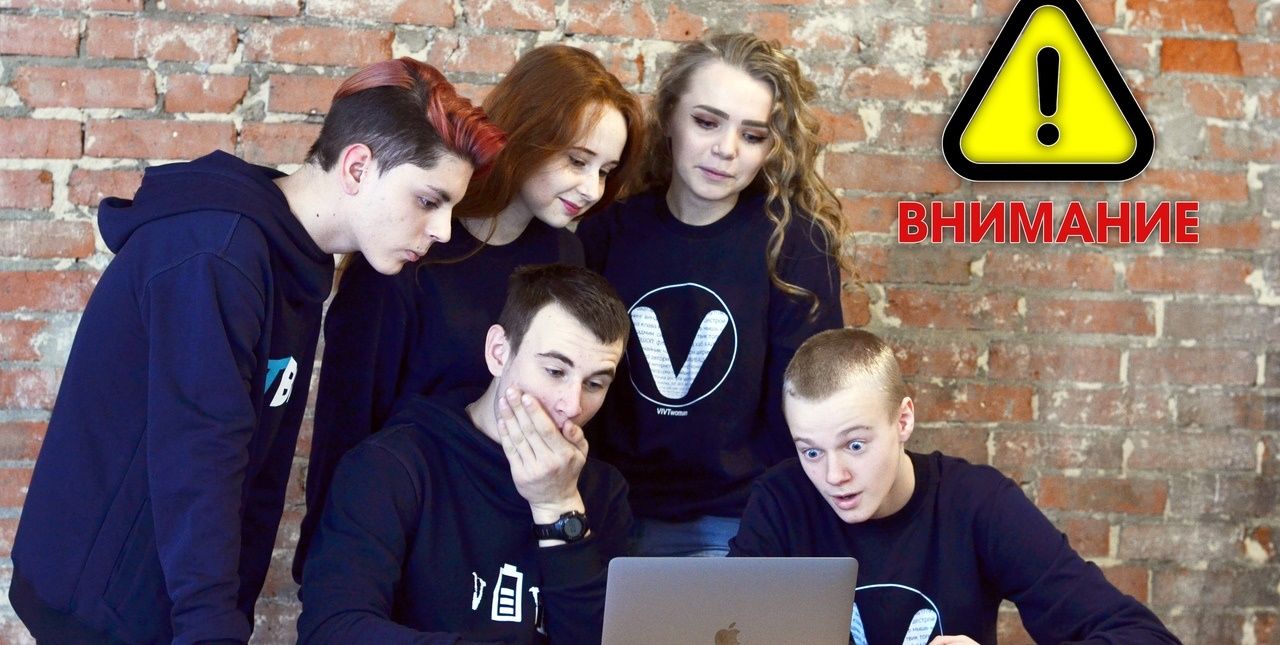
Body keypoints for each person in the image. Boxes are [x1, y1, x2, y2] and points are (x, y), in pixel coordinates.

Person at [9, 58, 505, 644]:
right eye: (428, 200)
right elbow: (198, 460)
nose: (444, 230)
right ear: (357, 166)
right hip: (100, 609)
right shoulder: (219, 255)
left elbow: (253, 467)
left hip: (158, 608)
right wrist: (211, 631)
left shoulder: (291, 260)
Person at [297, 45, 643, 579]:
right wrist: (327, 564)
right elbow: (348, 416)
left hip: (505, 537)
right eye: (577, 161)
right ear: (527, 132)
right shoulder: (410, 244)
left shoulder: (564, 253)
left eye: (606, 170)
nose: (592, 189)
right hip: (405, 528)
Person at [728, 328, 1182, 644]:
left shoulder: (978, 503)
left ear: (903, 420)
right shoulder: (780, 501)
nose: (833, 476)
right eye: (811, 452)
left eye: (855, 445)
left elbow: (1143, 636)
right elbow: (723, 625)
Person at [576, 32, 846, 556]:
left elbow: (812, 407)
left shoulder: (795, 245)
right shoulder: (606, 231)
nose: (726, 149)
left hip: (740, 522)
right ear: (669, 118)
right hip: (610, 510)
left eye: (753, 135)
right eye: (706, 122)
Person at [298, 264, 632, 644]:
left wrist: (558, 506)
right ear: (499, 352)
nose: (572, 405)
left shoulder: (603, 491)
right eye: (555, 371)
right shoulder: (392, 467)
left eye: (594, 384)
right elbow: (331, 629)